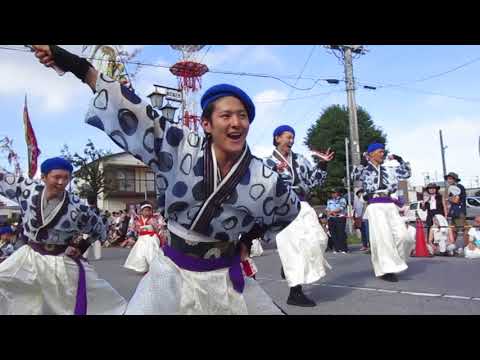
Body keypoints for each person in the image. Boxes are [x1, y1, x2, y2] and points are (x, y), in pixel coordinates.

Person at [32, 45, 302, 315]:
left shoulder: (264, 177)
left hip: (224, 274)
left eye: (242, 116)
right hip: (172, 271)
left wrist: (249, 238)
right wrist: (74, 64)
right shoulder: (179, 146)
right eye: (226, 115)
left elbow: (290, 209)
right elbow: (130, 107)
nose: (236, 123)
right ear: (206, 124)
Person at [0, 157, 127, 314]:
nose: (61, 182)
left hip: (61, 258)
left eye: (66, 178)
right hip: (30, 256)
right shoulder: (27, 189)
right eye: (56, 177)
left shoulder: (77, 205)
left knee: (95, 293)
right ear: (44, 177)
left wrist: (80, 246)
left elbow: (100, 228)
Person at [265, 125, 334, 307]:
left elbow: (314, 181)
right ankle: (295, 293)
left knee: (319, 240)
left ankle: (286, 269)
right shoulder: (267, 163)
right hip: (283, 207)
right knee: (293, 250)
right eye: (288, 137)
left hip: (303, 204)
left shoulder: (301, 160)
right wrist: (273, 174)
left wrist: (323, 164)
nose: (291, 140)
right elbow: (262, 188)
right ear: (277, 138)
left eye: (293, 137)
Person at [352, 143, 412, 282]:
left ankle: (396, 262)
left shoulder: (389, 170)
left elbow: (407, 173)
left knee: (404, 237)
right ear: (371, 154)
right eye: (379, 152)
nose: (382, 154)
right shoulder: (365, 170)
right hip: (375, 205)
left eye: (383, 152)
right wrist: (362, 161)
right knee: (383, 238)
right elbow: (354, 175)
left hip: (390, 204)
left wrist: (399, 159)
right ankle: (387, 269)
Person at [123, 201, 166, 273]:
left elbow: (161, 226)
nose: (148, 212)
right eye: (146, 210)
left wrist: (161, 232)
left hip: (152, 237)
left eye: (149, 210)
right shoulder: (136, 219)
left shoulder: (155, 218)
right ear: (141, 211)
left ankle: (154, 267)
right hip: (142, 238)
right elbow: (131, 228)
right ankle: (143, 268)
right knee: (141, 253)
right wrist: (130, 237)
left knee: (151, 251)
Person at [445, 172, 467, 247]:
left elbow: (456, 200)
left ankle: (470, 246)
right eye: (448, 179)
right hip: (454, 212)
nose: (449, 180)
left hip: (459, 212)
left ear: (455, 179)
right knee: (453, 230)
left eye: (450, 179)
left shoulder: (459, 186)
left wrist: (449, 199)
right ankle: (452, 247)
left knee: (464, 230)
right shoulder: (451, 188)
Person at [326, 188, 348, 254]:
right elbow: (327, 209)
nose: (333, 194)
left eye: (334, 193)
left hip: (340, 218)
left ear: (338, 193)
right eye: (332, 193)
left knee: (341, 233)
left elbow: (341, 208)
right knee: (333, 234)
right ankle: (337, 248)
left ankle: (344, 248)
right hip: (331, 218)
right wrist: (329, 213)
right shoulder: (329, 200)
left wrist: (332, 211)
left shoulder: (342, 200)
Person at [82, 194, 102, 260]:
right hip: (96, 228)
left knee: (85, 241)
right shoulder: (97, 210)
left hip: (87, 228)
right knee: (96, 242)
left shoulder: (86, 209)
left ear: (87, 201)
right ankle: (97, 256)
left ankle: (84, 255)